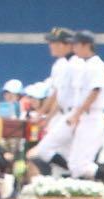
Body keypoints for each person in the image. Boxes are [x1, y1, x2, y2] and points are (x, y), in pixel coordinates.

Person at [59, 31, 104, 181]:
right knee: (75, 163)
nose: (73, 47)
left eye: (76, 44)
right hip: (85, 117)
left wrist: (76, 115)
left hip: (93, 116)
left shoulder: (96, 66)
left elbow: (94, 92)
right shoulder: (85, 65)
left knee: (80, 163)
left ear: (86, 45)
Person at [25, 28, 76, 175]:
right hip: (61, 114)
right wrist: (43, 115)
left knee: (48, 150)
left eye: (54, 43)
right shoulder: (60, 64)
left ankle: (79, 174)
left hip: (71, 114)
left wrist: (46, 117)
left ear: (67, 44)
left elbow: (59, 96)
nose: (51, 46)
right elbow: (56, 94)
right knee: (56, 155)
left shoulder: (75, 64)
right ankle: (66, 183)